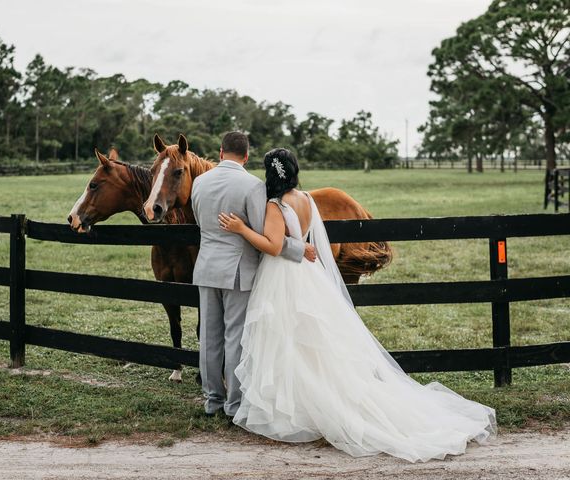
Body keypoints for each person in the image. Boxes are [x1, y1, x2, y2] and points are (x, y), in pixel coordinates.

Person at [217, 147, 496, 462]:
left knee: (286, 338)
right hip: (308, 275)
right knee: (312, 341)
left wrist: (241, 229)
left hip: (282, 277)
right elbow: (306, 242)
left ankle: (295, 407)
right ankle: (309, 398)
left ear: (269, 175)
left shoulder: (275, 205)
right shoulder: (307, 200)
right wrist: (301, 248)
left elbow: (273, 245)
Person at [191, 132, 317, 418]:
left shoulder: (199, 182)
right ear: (246, 156)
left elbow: (202, 223)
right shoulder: (252, 186)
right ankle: (234, 404)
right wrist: (300, 248)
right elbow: (266, 234)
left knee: (209, 338)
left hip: (206, 266)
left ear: (221, 153)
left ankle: (212, 401)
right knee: (235, 336)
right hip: (238, 271)